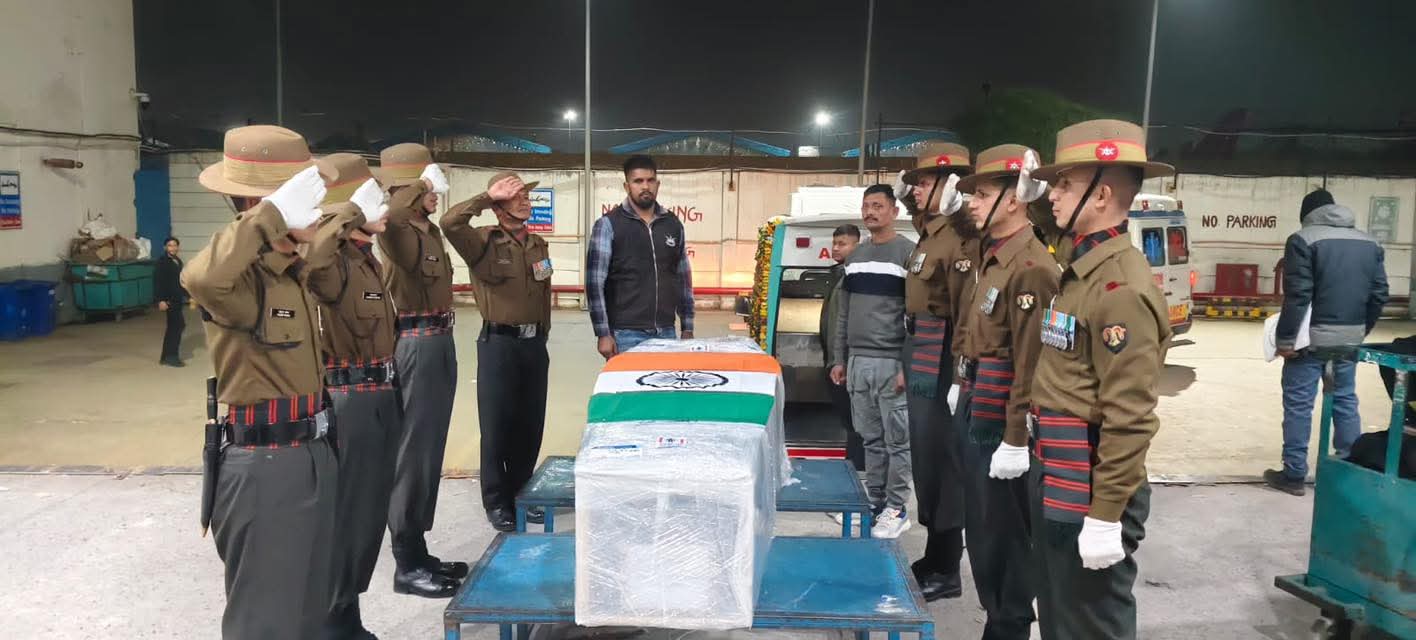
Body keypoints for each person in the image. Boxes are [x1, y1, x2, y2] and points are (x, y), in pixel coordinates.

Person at [181, 125, 338, 640]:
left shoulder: (289, 271)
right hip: (265, 464)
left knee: (310, 606)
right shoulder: (238, 280)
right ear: (262, 204)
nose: (319, 208)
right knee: (266, 620)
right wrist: (269, 214)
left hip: (310, 451)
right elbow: (201, 279)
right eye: (305, 196)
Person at [1027, 119, 1173, 639]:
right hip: (1058, 470)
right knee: (1061, 617)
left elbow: (1130, 416)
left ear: (1102, 195)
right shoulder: (1081, 270)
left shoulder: (1120, 288)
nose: (1053, 195)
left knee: (1090, 624)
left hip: (1088, 484)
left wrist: (1107, 514)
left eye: (1064, 184)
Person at [952, 144, 1057, 638]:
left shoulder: (1032, 267)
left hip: (1000, 419)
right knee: (982, 526)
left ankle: (1009, 624)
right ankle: (998, 616)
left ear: (1013, 200)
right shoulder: (993, 257)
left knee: (1004, 533)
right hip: (978, 403)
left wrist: (1016, 438)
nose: (971, 203)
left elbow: (1031, 362)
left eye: (982, 194)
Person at [305, 153, 408, 634]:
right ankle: (333, 619)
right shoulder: (333, 261)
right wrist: (346, 212)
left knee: (368, 514)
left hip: (381, 392)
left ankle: (348, 612)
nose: (385, 206)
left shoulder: (367, 260)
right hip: (352, 400)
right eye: (374, 197)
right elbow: (312, 261)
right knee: (348, 515)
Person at [374, 143, 465, 597]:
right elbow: (391, 211)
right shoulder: (395, 229)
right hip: (414, 344)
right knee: (412, 453)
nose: (436, 191)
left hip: (439, 341)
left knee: (429, 451)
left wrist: (422, 186)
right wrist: (419, 183)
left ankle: (418, 549)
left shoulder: (427, 231)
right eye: (428, 184)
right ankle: (405, 563)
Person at [440, 172, 553, 533]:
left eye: (526, 195)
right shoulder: (481, 242)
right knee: (497, 426)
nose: (525, 200)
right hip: (499, 345)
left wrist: (542, 335)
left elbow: (543, 293)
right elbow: (450, 222)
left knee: (530, 425)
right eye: (516, 195)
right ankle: (497, 502)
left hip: (533, 345)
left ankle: (521, 494)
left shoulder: (537, 245)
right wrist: (485, 196)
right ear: (498, 206)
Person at [1265, 188, 1388, 496]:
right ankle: (1349, 470)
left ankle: (1294, 474)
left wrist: (1285, 340)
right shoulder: (1370, 243)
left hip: (1310, 341)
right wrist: (1360, 330)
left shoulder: (1302, 239)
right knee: (1345, 400)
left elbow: (1299, 295)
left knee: (1299, 404)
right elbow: (1379, 294)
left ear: (1306, 215)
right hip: (1349, 339)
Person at [896, 142, 976, 599]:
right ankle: (935, 554)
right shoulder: (931, 231)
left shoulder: (960, 239)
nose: (916, 190)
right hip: (922, 350)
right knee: (926, 456)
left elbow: (965, 312)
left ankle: (947, 569)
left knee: (944, 460)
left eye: (925, 183)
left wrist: (961, 377)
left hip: (943, 356)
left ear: (950, 186)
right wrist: (913, 201)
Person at [829, 184, 916, 539]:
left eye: (878, 206)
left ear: (894, 211)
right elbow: (843, 314)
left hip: (891, 364)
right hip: (857, 363)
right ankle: (875, 502)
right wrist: (839, 359)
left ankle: (897, 508)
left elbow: (916, 318)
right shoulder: (856, 257)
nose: (871, 212)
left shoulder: (908, 254)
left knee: (898, 441)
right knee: (870, 439)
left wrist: (907, 366)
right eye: (866, 206)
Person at [586, 154, 694, 358]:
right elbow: (594, 284)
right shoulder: (608, 225)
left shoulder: (672, 224)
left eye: (650, 180)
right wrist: (603, 333)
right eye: (638, 181)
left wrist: (687, 327)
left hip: (666, 332)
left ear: (657, 184)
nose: (645, 186)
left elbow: (683, 280)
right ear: (627, 186)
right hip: (625, 335)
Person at [820, 223, 865, 471]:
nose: (835, 248)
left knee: (856, 425)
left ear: (857, 246)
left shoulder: (855, 278)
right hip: (836, 362)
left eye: (842, 244)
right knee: (850, 424)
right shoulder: (839, 275)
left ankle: (858, 472)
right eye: (834, 243)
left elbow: (847, 325)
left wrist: (842, 362)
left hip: (846, 364)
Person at [154, 236, 187, 367]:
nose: (173, 248)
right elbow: (158, 282)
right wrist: (160, 300)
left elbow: (180, 281)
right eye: (170, 245)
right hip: (168, 300)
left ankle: (165, 357)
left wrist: (188, 295)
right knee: (177, 326)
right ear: (165, 247)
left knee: (175, 327)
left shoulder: (178, 261)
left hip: (177, 298)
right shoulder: (162, 262)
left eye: (175, 245)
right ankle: (171, 357)